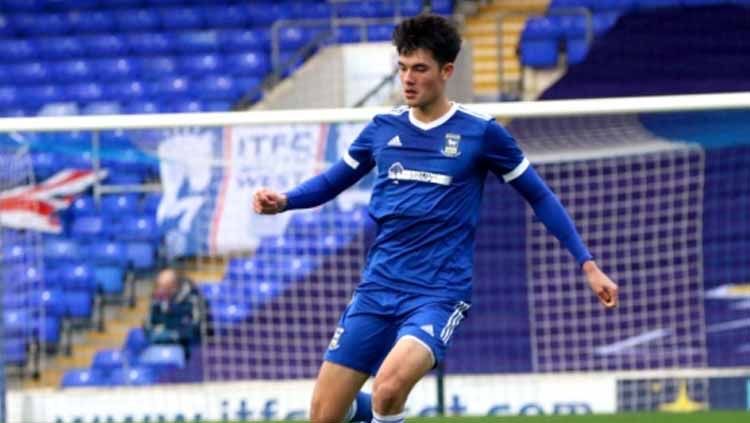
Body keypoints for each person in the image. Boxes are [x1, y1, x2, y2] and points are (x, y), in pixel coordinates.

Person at [253, 14, 619, 423]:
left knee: (388, 389)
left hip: (437, 293)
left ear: (446, 71)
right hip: (378, 288)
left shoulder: (480, 133)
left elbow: (539, 195)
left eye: (420, 69)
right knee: (324, 416)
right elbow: (332, 181)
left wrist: (587, 263)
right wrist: (284, 201)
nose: (408, 79)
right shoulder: (382, 128)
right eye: (403, 68)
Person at [143, 268, 205, 359]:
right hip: (159, 344)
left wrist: (175, 334)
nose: (159, 291)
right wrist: (156, 333)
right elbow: (148, 324)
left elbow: (196, 326)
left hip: (187, 348)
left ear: (174, 287)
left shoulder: (193, 299)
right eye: (158, 286)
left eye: (163, 287)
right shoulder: (157, 298)